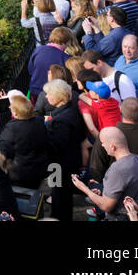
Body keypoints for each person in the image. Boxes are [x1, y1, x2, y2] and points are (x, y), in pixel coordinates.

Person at [72, 127, 138, 221]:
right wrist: (103, 193)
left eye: (103, 143)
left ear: (113, 147)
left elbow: (106, 206)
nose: (102, 146)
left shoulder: (117, 169)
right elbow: (128, 191)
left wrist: (84, 188)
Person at [43, 79, 83, 221]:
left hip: (60, 166)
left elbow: (57, 144)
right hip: (64, 163)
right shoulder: (70, 110)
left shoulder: (62, 119)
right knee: (61, 197)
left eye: (48, 94)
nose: (46, 97)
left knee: (60, 198)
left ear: (58, 96)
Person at [0, 93, 48, 189]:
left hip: (20, 173)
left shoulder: (13, 127)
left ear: (16, 113)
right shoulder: (39, 121)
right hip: (39, 169)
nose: (9, 108)